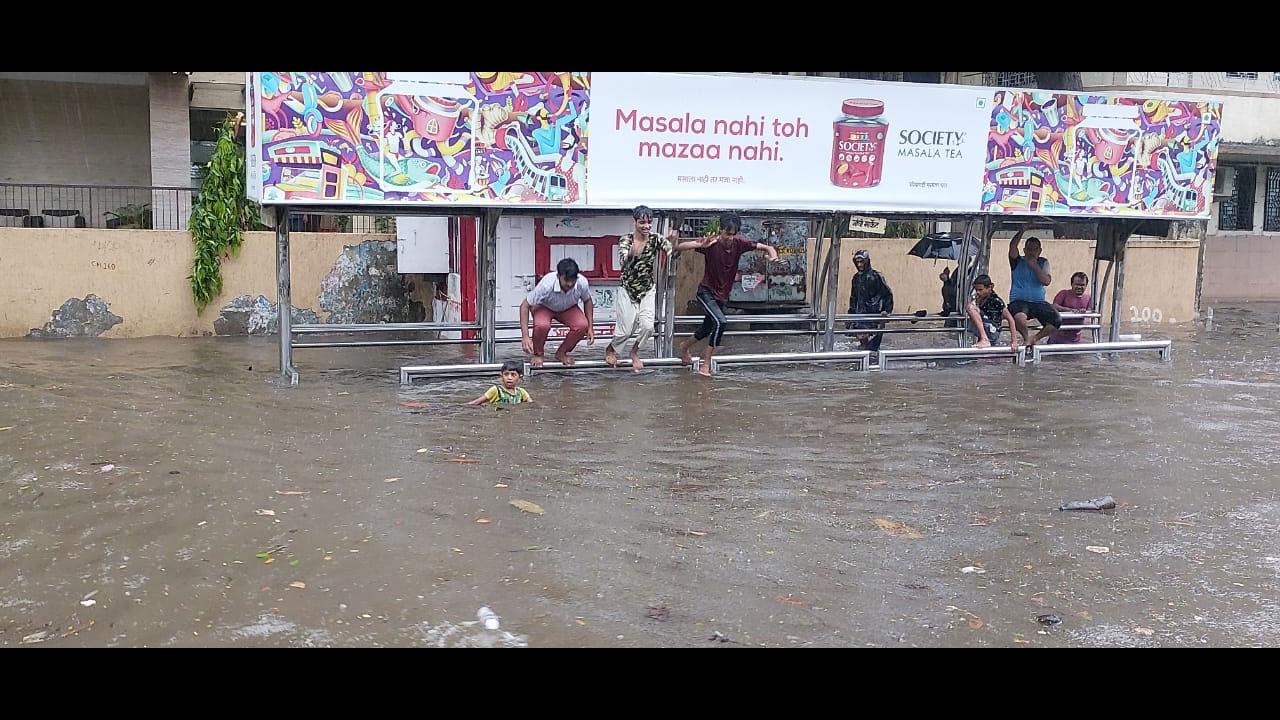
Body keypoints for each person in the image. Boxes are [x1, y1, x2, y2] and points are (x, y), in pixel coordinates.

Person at [675, 212, 781, 377]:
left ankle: (684, 346)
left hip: (722, 295)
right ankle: (706, 363)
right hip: (706, 292)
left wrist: (772, 256)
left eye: (733, 234)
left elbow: (767, 247)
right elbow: (679, 247)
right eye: (727, 233)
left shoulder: (739, 243)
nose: (730, 238)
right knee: (721, 322)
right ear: (721, 230)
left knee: (707, 328)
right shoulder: (712, 243)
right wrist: (701, 245)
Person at [606, 205, 673, 372]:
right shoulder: (626, 240)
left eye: (649, 223)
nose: (646, 226)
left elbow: (671, 248)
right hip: (627, 289)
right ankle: (611, 349)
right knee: (625, 330)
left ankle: (634, 352)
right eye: (642, 222)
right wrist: (630, 254)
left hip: (647, 289)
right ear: (635, 222)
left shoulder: (655, 239)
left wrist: (677, 244)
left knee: (648, 326)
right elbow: (622, 262)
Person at [520, 257, 594, 368]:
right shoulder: (546, 285)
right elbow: (524, 306)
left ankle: (561, 353)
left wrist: (590, 327)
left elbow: (587, 301)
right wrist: (525, 336)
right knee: (542, 325)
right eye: (566, 280)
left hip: (568, 307)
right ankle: (538, 354)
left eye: (572, 281)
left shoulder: (582, 283)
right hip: (544, 306)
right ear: (558, 276)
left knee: (582, 325)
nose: (570, 284)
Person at [1007, 226, 1061, 346]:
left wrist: (1035, 266)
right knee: (1020, 317)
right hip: (1019, 301)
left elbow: (1046, 281)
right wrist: (1022, 230)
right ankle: (1026, 338)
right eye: (1029, 249)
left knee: (1056, 320)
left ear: (1039, 251)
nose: (1032, 252)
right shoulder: (1017, 261)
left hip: (1039, 302)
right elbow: (1012, 246)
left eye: (1035, 249)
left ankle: (1034, 339)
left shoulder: (1043, 262)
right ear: (1025, 250)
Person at [846, 249, 894, 352]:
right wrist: (850, 315)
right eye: (857, 262)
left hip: (873, 313)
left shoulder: (876, 276)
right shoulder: (856, 278)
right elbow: (853, 298)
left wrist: (886, 310)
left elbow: (887, 294)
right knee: (862, 339)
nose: (859, 265)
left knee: (873, 341)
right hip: (860, 313)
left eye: (861, 262)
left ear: (867, 261)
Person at [965, 274, 1020, 351]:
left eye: (980, 290)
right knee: (970, 307)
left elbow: (1010, 319)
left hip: (992, 330)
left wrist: (1014, 341)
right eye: (976, 290)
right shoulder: (980, 299)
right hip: (986, 327)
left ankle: (984, 339)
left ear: (989, 288)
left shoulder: (996, 301)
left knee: (970, 308)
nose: (977, 292)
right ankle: (983, 338)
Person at [1049, 271, 1092, 344]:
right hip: (1057, 339)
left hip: (1075, 341)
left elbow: (1091, 312)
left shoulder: (1088, 298)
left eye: (1082, 285)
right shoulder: (1064, 294)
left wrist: (1085, 312)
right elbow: (1054, 306)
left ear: (1086, 285)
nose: (1079, 287)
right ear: (1072, 284)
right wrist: (1070, 310)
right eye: (1077, 284)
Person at [465, 360, 532, 407]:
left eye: (513, 375)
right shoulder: (496, 390)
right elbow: (477, 402)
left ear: (520, 378)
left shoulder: (521, 392)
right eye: (506, 374)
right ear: (501, 376)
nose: (509, 378)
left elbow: (531, 404)